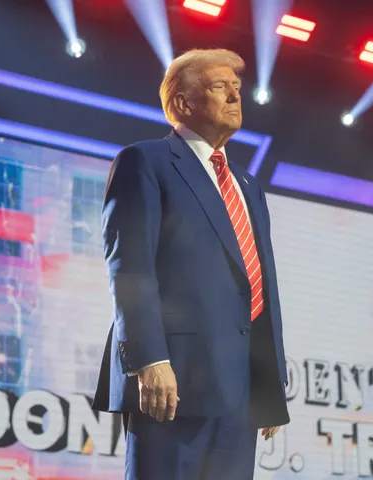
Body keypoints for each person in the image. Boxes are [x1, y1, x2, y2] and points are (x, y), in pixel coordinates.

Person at [91, 48, 290, 479]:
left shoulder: (248, 185)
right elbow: (130, 265)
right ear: (183, 102)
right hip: (172, 381)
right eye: (220, 87)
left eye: (237, 88)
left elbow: (260, 285)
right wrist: (149, 359)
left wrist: (270, 384)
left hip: (241, 389)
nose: (235, 96)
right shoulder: (146, 161)